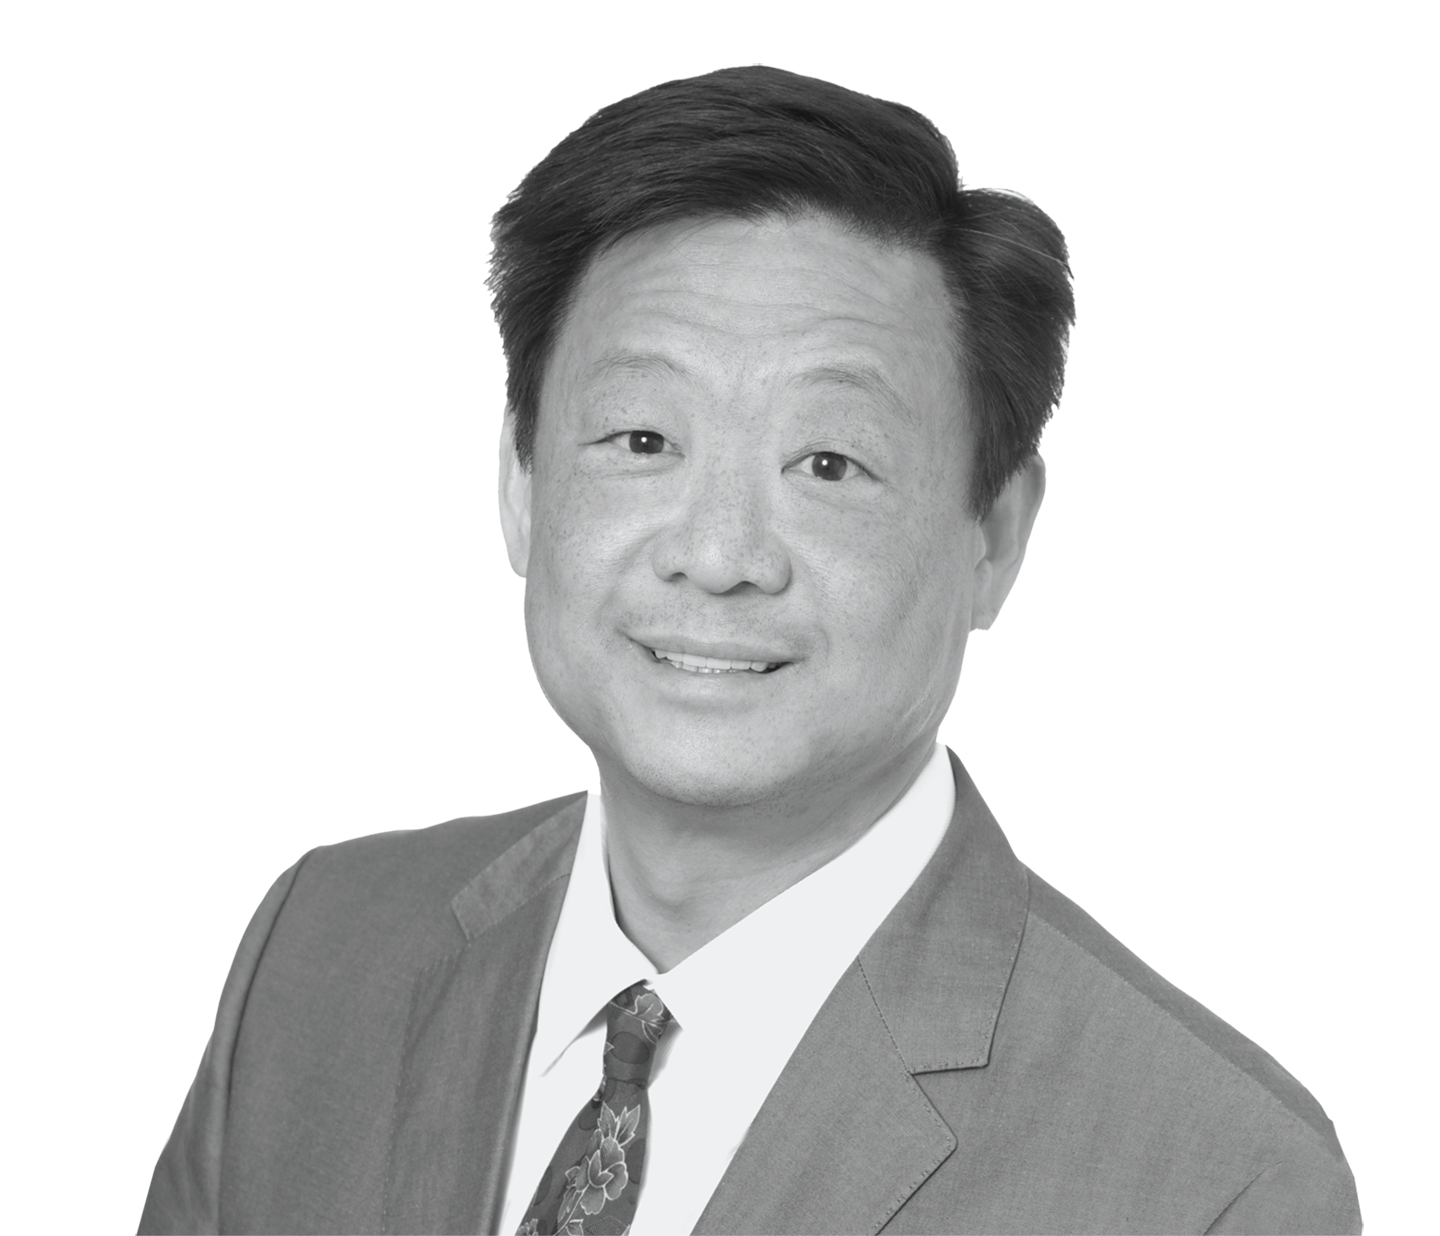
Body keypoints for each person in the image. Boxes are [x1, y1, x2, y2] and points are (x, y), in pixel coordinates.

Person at [146, 65, 1360, 1236]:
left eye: (829, 463)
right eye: (640, 439)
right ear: (523, 487)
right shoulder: (318, 953)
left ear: (992, 532)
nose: (719, 554)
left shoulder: (1223, 1185)